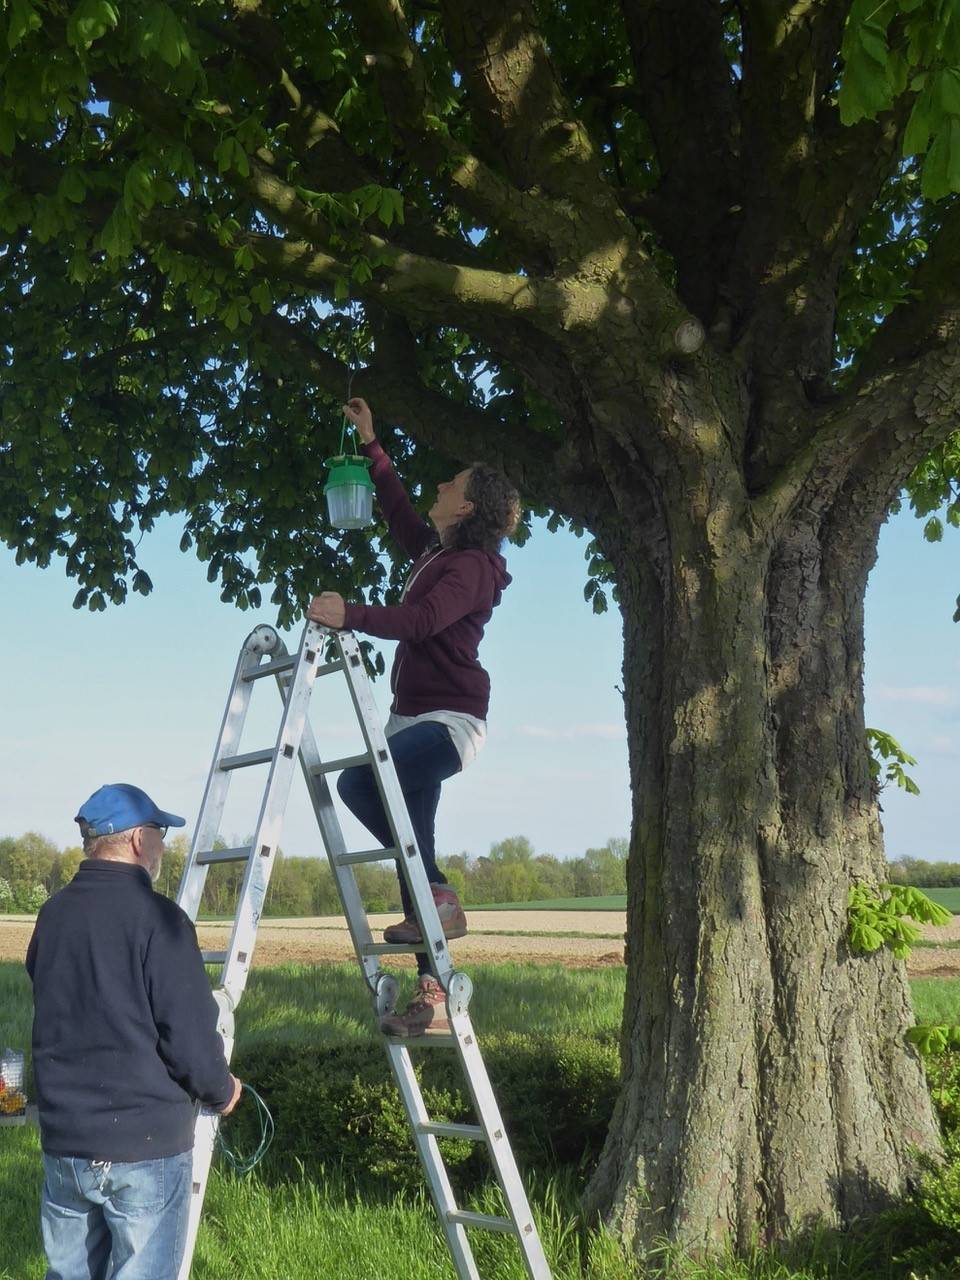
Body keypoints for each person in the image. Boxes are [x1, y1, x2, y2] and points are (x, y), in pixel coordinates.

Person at [308, 396, 520, 1036]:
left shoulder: (475, 570)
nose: (438, 486)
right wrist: (372, 444)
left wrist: (355, 616)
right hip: (408, 719)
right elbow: (400, 510)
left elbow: (422, 622)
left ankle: (435, 894)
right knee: (400, 829)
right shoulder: (434, 551)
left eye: (450, 484)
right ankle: (433, 991)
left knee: (377, 790)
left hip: (451, 721)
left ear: (468, 507)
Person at [26, 783, 242, 1280]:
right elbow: (187, 1038)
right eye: (161, 834)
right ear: (140, 841)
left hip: (66, 1145)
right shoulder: (160, 921)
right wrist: (223, 1090)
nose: (164, 846)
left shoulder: (52, 916)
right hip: (144, 1149)